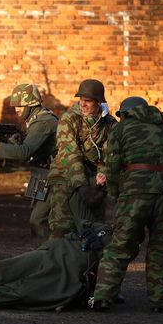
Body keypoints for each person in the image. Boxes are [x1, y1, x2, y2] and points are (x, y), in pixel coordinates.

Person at [91, 96, 163, 313]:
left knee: (120, 245)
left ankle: (103, 296)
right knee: (161, 247)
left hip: (134, 194)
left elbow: (112, 167)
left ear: (126, 113)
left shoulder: (121, 130)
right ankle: (159, 302)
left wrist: (115, 193)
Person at [0, 83, 57, 245]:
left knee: (39, 220)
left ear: (31, 104)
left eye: (20, 105)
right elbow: (26, 150)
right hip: (42, 174)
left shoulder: (43, 122)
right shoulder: (37, 118)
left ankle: (47, 258)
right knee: (42, 218)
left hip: (54, 176)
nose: (16, 109)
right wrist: (11, 142)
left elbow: (24, 153)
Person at [47, 79, 116, 238]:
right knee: (62, 226)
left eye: (88, 101)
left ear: (99, 102)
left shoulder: (109, 124)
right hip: (66, 173)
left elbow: (111, 154)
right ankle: (55, 257)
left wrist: (102, 176)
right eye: (81, 100)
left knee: (96, 226)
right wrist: (82, 186)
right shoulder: (69, 119)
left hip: (93, 176)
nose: (83, 104)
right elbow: (69, 155)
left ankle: (89, 260)